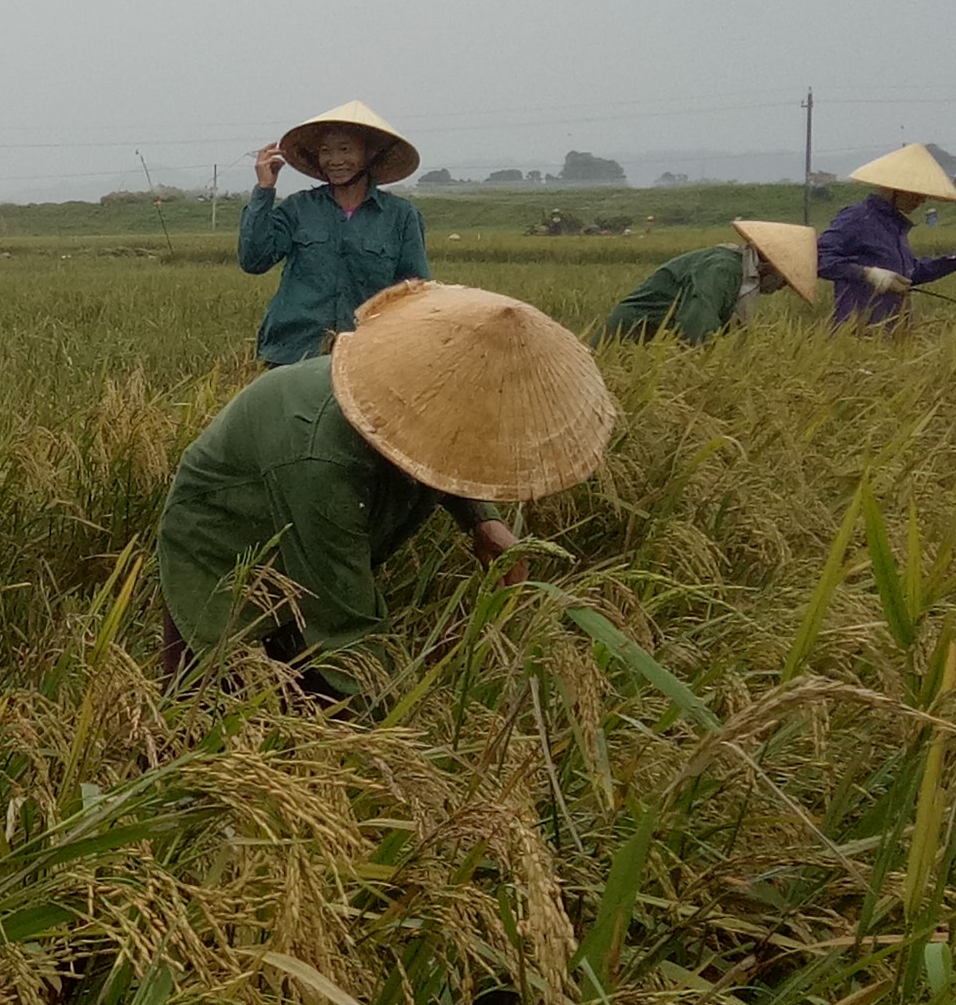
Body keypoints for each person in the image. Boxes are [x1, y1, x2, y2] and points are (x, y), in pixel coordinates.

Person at [158, 279, 614, 696]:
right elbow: (346, 619)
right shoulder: (320, 458)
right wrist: (402, 714)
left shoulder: (419, 396)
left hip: (318, 522)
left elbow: (453, 439)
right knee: (205, 703)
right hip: (227, 548)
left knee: (304, 684)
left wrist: (482, 520)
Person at [236, 101, 432, 367]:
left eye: (345, 149)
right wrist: (264, 189)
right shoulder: (298, 208)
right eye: (326, 151)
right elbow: (254, 260)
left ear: (370, 154)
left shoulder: (400, 216)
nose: (335, 160)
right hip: (294, 353)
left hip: (367, 356)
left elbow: (414, 291)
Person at [815, 146, 956, 331]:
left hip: (895, 334)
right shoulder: (857, 218)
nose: (921, 200)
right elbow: (819, 259)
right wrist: (868, 273)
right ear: (893, 189)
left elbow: (910, 273)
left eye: (924, 195)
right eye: (915, 193)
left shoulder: (895, 227)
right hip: (857, 335)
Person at [593, 220, 822, 343]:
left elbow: (726, 327)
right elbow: (697, 323)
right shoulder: (722, 269)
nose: (777, 289)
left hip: (655, 341)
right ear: (769, 266)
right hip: (631, 337)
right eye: (782, 282)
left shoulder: (738, 274)